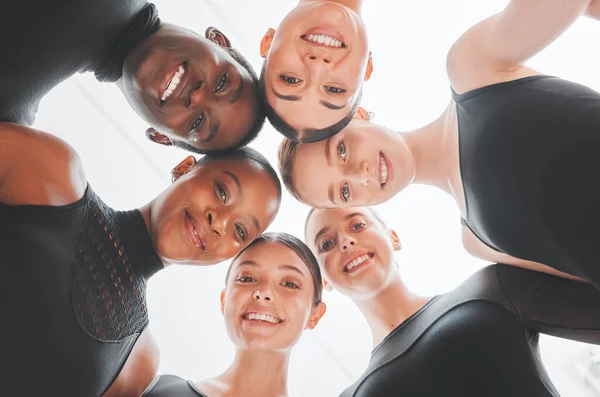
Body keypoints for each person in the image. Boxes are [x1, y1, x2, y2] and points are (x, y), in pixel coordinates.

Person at [278, 0, 600, 287]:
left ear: (357, 114)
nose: (360, 173)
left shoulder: (472, 68)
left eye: (342, 151)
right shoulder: (477, 242)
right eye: (344, 191)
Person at [0, 120, 281, 396]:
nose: (219, 224)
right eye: (222, 192)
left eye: (240, 230)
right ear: (184, 169)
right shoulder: (48, 172)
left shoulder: (139, 363)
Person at [259, 0, 600, 141]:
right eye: (334, 89)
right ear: (367, 69)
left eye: (290, 79)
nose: (317, 64)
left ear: (269, 41)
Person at [305, 206, 600, 397]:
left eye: (357, 225)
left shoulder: (492, 287)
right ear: (325, 282)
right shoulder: (353, 395)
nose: (346, 241)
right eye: (326, 244)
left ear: (393, 237)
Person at [1, 0, 264, 153]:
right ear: (218, 41)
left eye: (197, 123)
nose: (196, 96)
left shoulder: (9, 108)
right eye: (221, 83)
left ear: (161, 137)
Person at [142, 233, 326, 397]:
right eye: (247, 279)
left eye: (289, 284)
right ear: (224, 301)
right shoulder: (154, 391)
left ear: (315, 315)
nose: (263, 292)